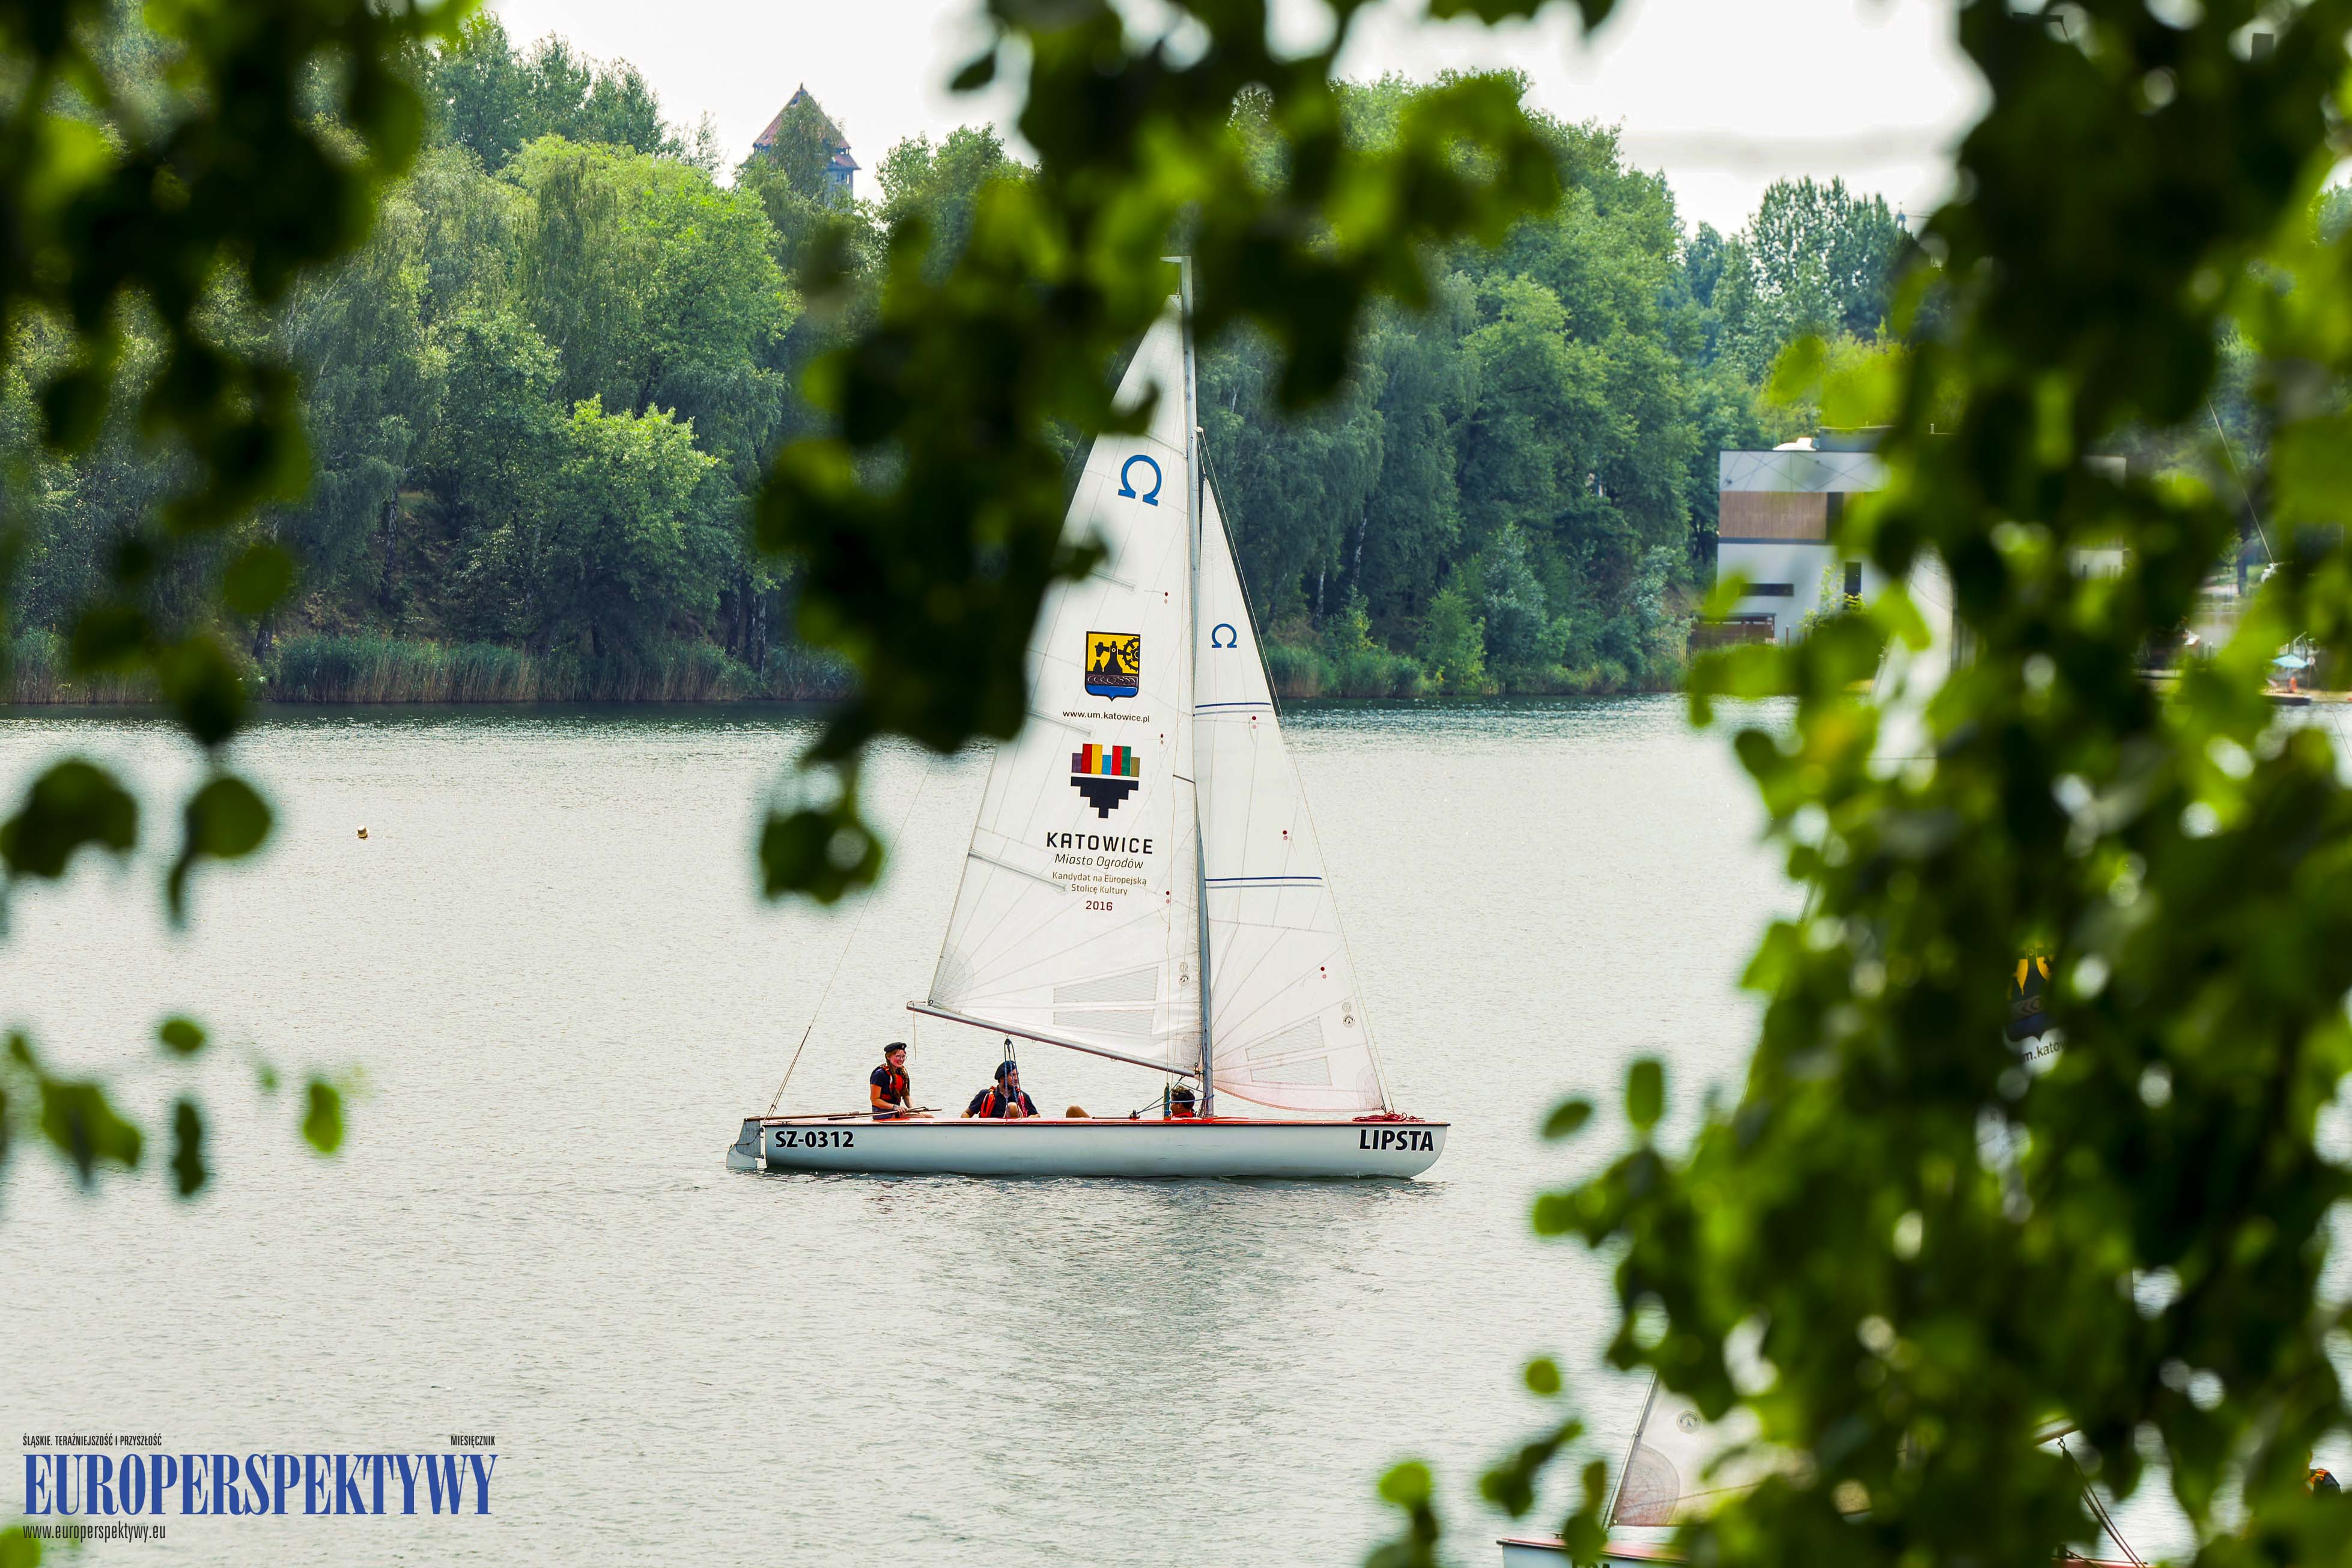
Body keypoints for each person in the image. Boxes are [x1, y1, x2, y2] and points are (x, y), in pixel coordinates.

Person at [965, 1058, 1041, 1120]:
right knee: (1012, 1106)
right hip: (990, 1134)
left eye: (1017, 1075)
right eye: (1012, 1075)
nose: (1016, 1079)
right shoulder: (985, 1094)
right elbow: (967, 1114)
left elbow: (1037, 1116)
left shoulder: (1022, 1096)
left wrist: (1028, 1119)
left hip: (1017, 1135)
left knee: (1012, 1107)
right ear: (1002, 1079)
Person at [869, 1042, 915, 1120]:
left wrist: (914, 1110)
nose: (901, 1060)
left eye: (903, 1057)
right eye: (898, 1056)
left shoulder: (903, 1073)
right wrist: (894, 1107)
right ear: (888, 1057)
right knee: (918, 1118)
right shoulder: (880, 1074)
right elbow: (875, 1100)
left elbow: (906, 1097)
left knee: (928, 1117)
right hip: (882, 1113)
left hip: (897, 1111)